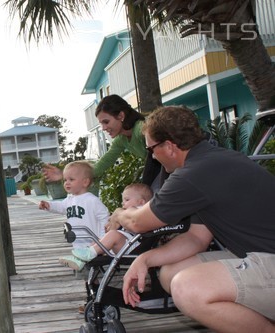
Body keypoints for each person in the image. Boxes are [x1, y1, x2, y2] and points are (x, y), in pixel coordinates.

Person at [110, 105, 275, 333]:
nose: (152, 156)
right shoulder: (211, 161)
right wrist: (145, 259)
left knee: (188, 287)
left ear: (169, 146)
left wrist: (119, 213)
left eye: (151, 149)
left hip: (269, 260)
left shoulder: (194, 173)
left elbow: (138, 222)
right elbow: (197, 238)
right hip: (260, 255)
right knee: (171, 272)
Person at [42, 94, 163, 189]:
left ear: (121, 116)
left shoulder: (140, 129)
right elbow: (99, 167)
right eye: (101, 123)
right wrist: (65, 175)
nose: (103, 128)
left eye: (106, 122)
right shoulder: (121, 140)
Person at [61, 183, 153, 271]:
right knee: (97, 242)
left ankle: (89, 254)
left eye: (127, 200)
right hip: (126, 243)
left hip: (134, 247)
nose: (123, 203)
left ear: (141, 202)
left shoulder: (141, 213)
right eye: (123, 200)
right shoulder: (128, 213)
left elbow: (135, 226)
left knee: (113, 235)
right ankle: (80, 260)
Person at [38, 161, 109, 270]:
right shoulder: (70, 199)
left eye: (71, 180)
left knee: (90, 261)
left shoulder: (91, 200)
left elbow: (104, 217)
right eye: (65, 180)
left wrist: (102, 238)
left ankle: (83, 267)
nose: (67, 183)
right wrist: (49, 205)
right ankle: (79, 263)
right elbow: (61, 207)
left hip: (92, 241)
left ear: (85, 182)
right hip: (78, 239)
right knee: (81, 256)